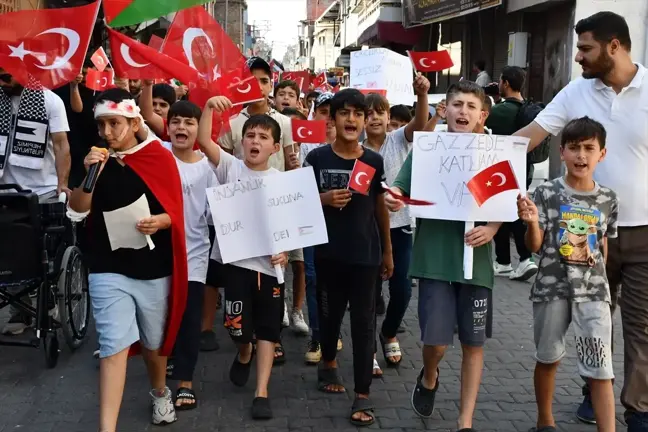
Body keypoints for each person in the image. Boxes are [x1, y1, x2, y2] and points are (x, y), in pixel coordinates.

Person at [513, 12, 648, 429]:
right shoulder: (576, 92)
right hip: (584, 234)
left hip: (644, 232)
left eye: (586, 48)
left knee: (641, 327)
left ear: (614, 46)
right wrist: (466, 158)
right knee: (596, 319)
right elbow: (528, 138)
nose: (578, 57)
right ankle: (594, 391)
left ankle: (638, 410)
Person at [67, 88, 187, 429]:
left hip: (152, 269)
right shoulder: (95, 160)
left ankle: (160, 391)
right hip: (107, 266)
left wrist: (161, 221)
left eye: (114, 123)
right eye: (101, 124)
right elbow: (77, 209)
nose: (106, 132)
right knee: (113, 346)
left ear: (134, 122)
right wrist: (90, 177)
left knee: (153, 344)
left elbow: (176, 213)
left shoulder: (159, 158)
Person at [385, 81, 500, 431]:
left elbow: (505, 200)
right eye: (457, 104)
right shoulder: (428, 149)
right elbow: (401, 185)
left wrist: (493, 228)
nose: (463, 111)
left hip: (476, 259)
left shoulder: (494, 151)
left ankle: (465, 422)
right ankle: (430, 374)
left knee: (473, 343)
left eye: (470, 106)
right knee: (434, 342)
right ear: (444, 110)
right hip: (434, 258)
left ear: (482, 115)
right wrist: (394, 196)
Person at [518, 117, 618, 432]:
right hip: (552, 289)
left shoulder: (608, 199)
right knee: (548, 357)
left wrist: (605, 287)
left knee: (600, 368)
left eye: (589, 148)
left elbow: (604, 246)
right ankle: (544, 422)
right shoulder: (546, 192)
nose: (581, 156)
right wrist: (532, 222)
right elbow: (534, 246)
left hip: (593, 295)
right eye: (574, 148)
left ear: (602, 153)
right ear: (561, 152)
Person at [304, 88, 394, 427]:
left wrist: (387, 251)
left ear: (366, 119)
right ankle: (328, 361)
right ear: (333, 119)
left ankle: (362, 392)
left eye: (359, 113)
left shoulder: (372, 161)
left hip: (365, 257)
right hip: (327, 255)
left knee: (363, 324)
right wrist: (324, 199)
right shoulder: (317, 159)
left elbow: (379, 207)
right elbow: (299, 204)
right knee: (329, 319)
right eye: (345, 113)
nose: (352, 119)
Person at [198, 95, 289, 420]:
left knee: (268, 330)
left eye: (264, 137)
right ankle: (244, 350)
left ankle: (261, 391)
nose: (255, 141)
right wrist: (208, 107)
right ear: (241, 142)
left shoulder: (282, 183)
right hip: (234, 264)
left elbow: (290, 228)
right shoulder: (230, 167)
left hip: (268, 269)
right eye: (251, 135)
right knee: (236, 327)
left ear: (275, 148)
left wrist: (285, 252)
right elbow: (204, 141)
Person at [362, 75, 430, 377]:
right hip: (367, 230)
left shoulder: (399, 138)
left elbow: (420, 122)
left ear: (389, 117)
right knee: (369, 294)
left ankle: (389, 332)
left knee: (402, 291)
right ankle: (368, 350)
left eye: (380, 112)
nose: (374, 118)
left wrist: (421, 94)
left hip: (401, 228)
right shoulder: (358, 150)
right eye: (368, 113)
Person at [0, 67, 71, 335]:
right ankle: (21, 308)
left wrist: (62, 183)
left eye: (6, 77)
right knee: (8, 252)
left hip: (41, 191)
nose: (2, 83)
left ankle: (47, 300)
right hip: (5, 191)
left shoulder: (50, 100)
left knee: (40, 253)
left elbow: (62, 144)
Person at [161, 100, 216, 411]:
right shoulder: (156, 156)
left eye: (189, 123)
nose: (181, 128)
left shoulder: (207, 169)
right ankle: (166, 360)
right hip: (157, 251)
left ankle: (185, 382)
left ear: (198, 129)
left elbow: (213, 214)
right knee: (163, 313)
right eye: (176, 121)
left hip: (194, 252)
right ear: (167, 127)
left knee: (189, 315)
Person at [486, 66, 539, 281]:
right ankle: (504, 261)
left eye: (500, 81)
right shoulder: (527, 111)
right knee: (512, 209)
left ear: (505, 83)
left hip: (499, 170)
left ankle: (523, 259)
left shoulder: (497, 112)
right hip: (524, 169)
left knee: (505, 210)